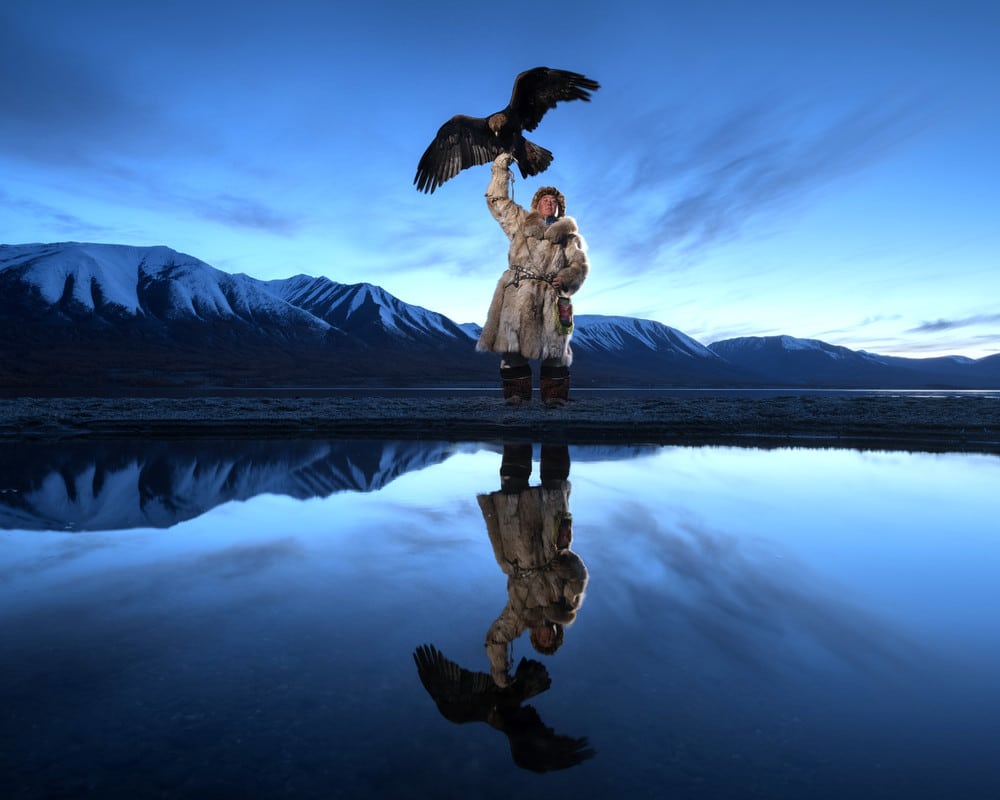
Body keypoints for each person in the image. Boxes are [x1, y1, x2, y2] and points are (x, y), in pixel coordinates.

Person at [477, 153, 590, 407]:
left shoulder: (569, 239)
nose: (549, 203)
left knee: (556, 352)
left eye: (554, 201)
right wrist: (500, 168)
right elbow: (497, 201)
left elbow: (579, 266)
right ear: (536, 205)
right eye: (545, 200)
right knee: (513, 349)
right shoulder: (519, 222)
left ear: (560, 208)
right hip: (518, 293)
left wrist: (566, 277)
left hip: (554, 295)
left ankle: (555, 398)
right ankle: (517, 397)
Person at [478, 442, 588, 689]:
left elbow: (496, 640)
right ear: (557, 635)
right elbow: (578, 579)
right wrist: (568, 565)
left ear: (535, 638)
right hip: (551, 545)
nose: (546, 635)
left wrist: (500, 674)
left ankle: (517, 427)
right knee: (555, 483)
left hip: (518, 547)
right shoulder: (565, 605)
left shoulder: (520, 618)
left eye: (542, 641)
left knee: (512, 488)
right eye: (551, 638)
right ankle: (555, 425)